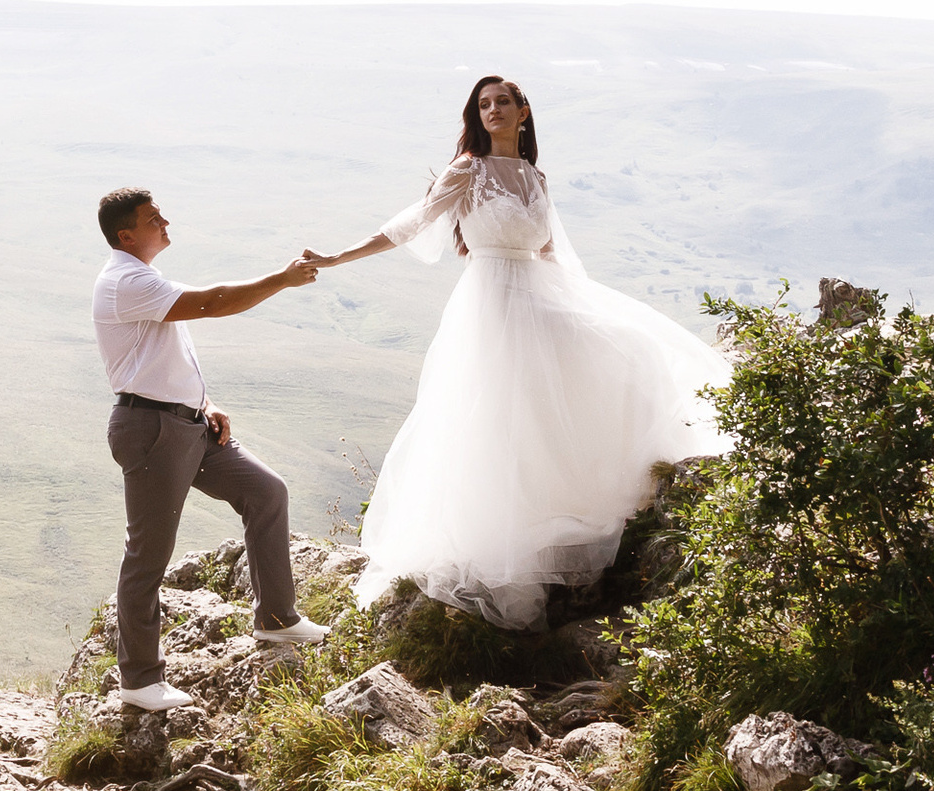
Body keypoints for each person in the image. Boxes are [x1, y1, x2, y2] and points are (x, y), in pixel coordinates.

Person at [306, 76, 725, 629]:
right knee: (498, 420)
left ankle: (564, 520)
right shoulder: (468, 170)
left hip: (537, 297)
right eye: (483, 105)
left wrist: (582, 312)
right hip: (489, 306)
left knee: (596, 378)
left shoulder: (535, 177)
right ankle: (499, 552)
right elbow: (411, 224)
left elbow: (549, 251)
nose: (493, 110)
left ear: (524, 113)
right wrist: (337, 257)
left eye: (503, 102)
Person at [92, 186, 332, 711]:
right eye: (154, 218)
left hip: (188, 425)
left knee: (267, 492)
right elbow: (212, 303)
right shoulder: (125, 280)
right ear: (127, 234)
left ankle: (276, 619)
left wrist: (204, 404)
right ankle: (139, 681)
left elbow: (159, 357)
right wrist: (282, 281)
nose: (165, 221)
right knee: (148, 555)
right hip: (152, 430)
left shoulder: (144, 279)